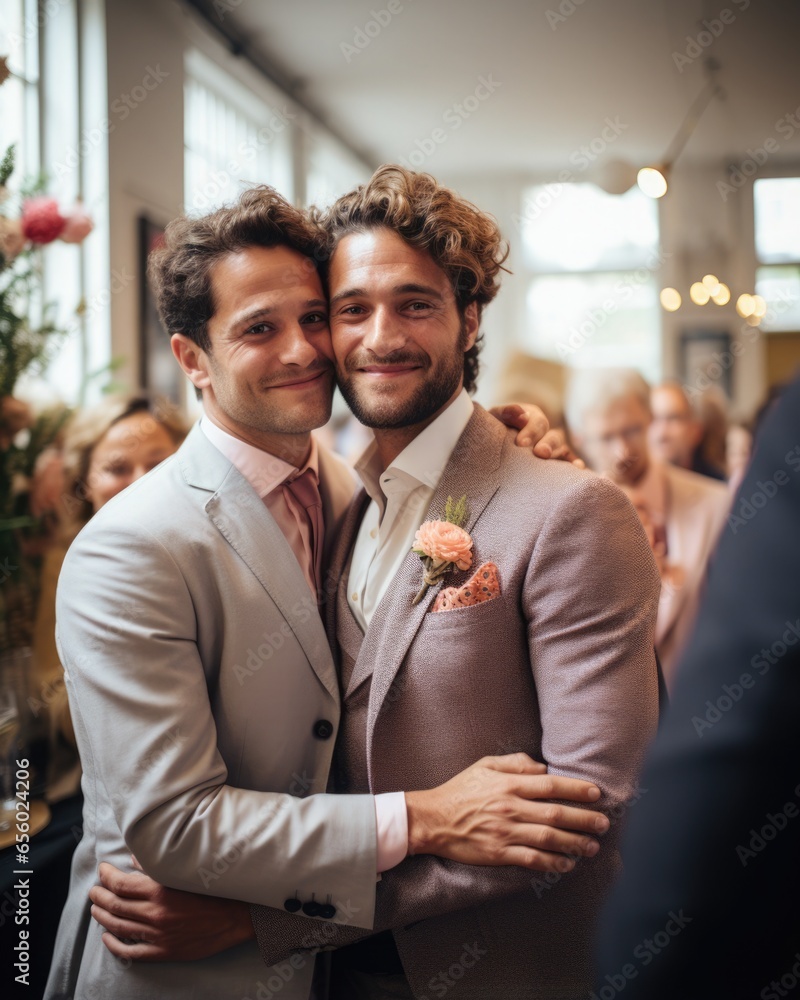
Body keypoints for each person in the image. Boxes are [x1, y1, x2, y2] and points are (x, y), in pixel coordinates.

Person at [95, 168, 662, 1000]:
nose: (378, 337)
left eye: (417, 305)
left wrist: (282, 920)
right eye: (350, 309)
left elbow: (595, 810)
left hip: (503, 971)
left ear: (470, 320)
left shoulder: (569, 508)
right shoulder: (333, 498)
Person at [595, 375, 800, 1000]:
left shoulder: (714, 502)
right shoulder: (579, 503)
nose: (631, 443)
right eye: (610, 434)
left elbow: (755, 663)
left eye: (637, 426)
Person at [567, 368, 729, 688]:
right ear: (579, 438)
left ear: (650, 419)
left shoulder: (717, 504)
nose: (623, 451)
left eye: (632, 431)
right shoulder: (567, 520)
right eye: (607, 437)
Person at [649, 380, 726, 481]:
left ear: (695, 431)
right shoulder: (630, 490)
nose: (662, 433)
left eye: (673, 418)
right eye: (653, 419)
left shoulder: (718, 487)